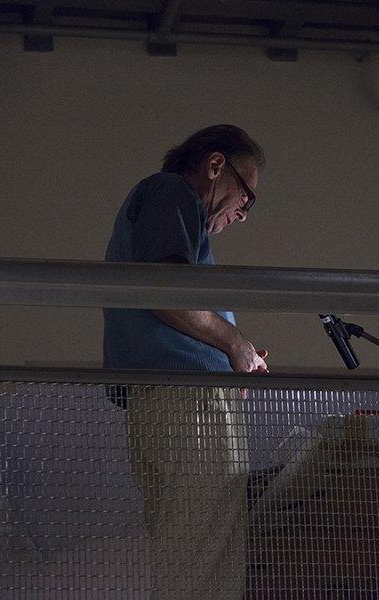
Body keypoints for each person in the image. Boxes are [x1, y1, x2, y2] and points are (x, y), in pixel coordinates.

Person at [103, 124, 268, 599]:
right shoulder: (170, 191)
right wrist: (234, 344)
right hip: (188, 403)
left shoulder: (163, 206)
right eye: (247, 196)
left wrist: (234, 345)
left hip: (165, 403)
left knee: (185, 551)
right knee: (207, 556)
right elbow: (166, 291)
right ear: (217, 165)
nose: (242, 215)